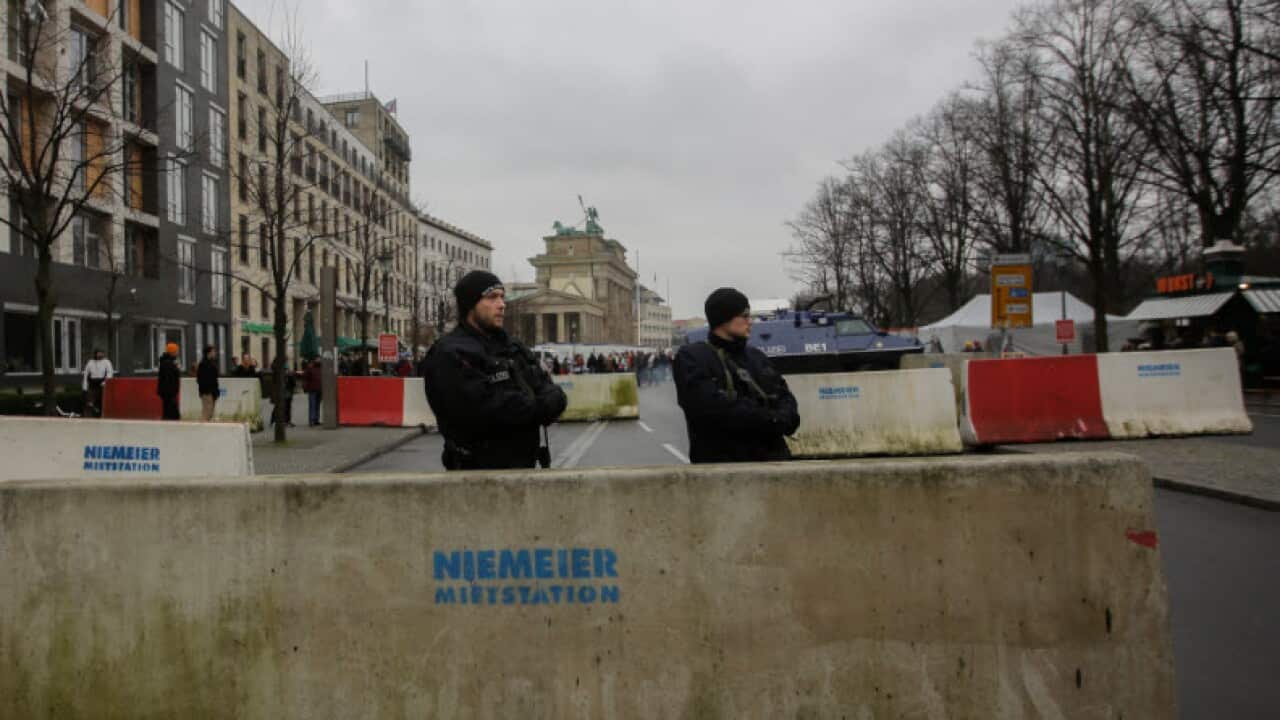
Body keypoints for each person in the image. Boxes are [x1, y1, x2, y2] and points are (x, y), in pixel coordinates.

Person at [423, 270, 567, 470]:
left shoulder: (512, 346)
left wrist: (541, 403)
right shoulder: (450, 352)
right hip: (475, 474)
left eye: (502, 297)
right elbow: (485, 411)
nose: (502, 304)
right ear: (470, 305)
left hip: (524, 468)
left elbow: (548, 388)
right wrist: (540, 407)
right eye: (492, 298)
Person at [674, 288, 800, 463]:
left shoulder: (757, 357)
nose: (751, 322)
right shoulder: (693, 358)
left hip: (774, 464)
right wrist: (771, 419)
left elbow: (785, 397)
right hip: (723, 472)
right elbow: (710, 409)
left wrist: (784, 417)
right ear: (723, 318)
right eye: (745, 316)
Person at [81, 348, 114, 417]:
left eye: (101, 353)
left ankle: (101, 414)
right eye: (98, 353)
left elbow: (110, 373)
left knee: (101, 401)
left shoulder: (106, 362)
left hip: (102, 383)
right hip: (92, 383)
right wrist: (85, 386)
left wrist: (105, 382)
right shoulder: (90, 362)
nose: (99, 354)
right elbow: (86, 374)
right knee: (89, 400)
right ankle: (89, 415)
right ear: (95, 354)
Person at [157, 343, 181, 420]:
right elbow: (169, 378)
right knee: (171, 412)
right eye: (176, 351)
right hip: (169, 392)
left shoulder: (167, 362)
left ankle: (167, 421)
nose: (177, 353)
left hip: (167, 391)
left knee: (168, 409)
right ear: (172, 352)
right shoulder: (168, 363)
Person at [197, 345, 220, 421]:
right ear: (208, 353)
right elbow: (200, 379)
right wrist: (205, 391)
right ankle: (203, 429)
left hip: (212, 391)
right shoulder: (203, 364)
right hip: (207, 391)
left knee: (210, 412)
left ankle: (206, 427)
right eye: (213, 351)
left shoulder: (212, 363)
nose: (215, 353)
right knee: (207, 412)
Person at [303, 358, 323, 426]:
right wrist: (305, 388)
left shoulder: (321, 368)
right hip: (312, 389)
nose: (319, 360)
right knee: (312, 405)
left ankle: (316, 420)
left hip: (319, 389)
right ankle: (311, 420)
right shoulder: (310, 368)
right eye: (317, 359)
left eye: (319, 359)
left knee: (317, 405)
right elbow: (305, 378)